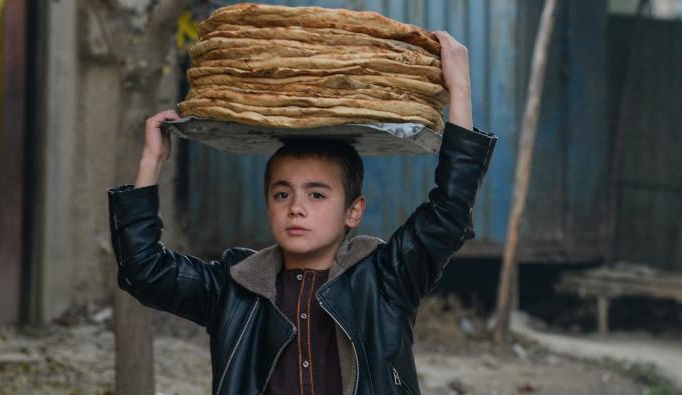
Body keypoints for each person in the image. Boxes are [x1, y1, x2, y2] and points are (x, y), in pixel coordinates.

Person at [107, 31, 496, 395]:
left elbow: (449, 212)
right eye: (281, 194)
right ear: (268, 205)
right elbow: (144, 271)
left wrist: (459, 89)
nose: (296, 208)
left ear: (353, 211)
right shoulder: (234, 289)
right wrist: (151, 161)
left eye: (317, 195)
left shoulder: (384, 281)